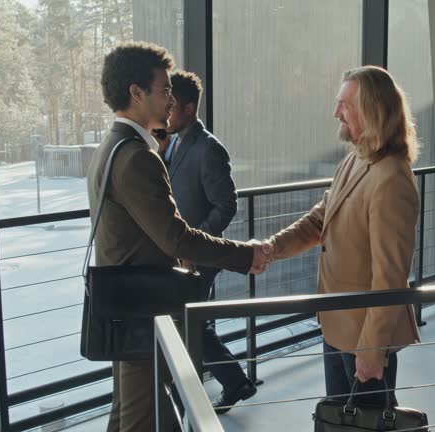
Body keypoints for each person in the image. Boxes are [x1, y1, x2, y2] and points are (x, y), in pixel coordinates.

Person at [87, 41, 271, 432]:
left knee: (129, 413)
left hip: (126, 305)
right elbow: (176, 239)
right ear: (136, 93)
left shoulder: (114, 145)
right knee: (143, 418)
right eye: (164, 90)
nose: (171, 99)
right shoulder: (137, 155)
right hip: (144, 310)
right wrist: (245, 254)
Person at [265, 66, 420, 405]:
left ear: (372, 109)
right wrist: (271, 248)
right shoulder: (357, 157)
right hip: (337, 324)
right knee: (343, 420)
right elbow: (322, 218)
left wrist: (372, 349)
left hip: (363, 336)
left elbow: (391, 276)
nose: (336, 113)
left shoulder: (391, 180)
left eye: (345, 105)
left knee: (368, 421)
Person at [162, 69, 256, 413]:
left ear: (188, 109)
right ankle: (234, 383)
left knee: (190, 327)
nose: (165, 111)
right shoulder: (171, 142)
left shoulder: (209, 149)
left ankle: (219, 387)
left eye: (171, 106)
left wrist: (194, 244)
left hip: (198, 258)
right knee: (193, 326)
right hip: (179, 256)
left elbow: (226, 206)